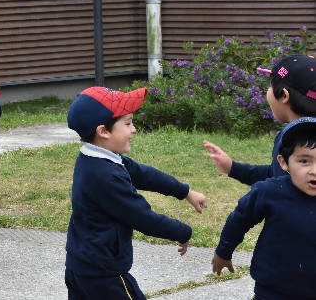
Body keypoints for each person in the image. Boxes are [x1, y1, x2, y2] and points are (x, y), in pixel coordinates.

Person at [64, 86, 207, 300]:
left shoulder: (96, 158)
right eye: (128, 123)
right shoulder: (105, 175)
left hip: (83, 265)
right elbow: (142, 217)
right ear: (103, 131)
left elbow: (143, 174)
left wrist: (185, 191)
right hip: (104, 275)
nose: (134, 129)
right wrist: (182, 231)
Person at [211, 118, 316, 299]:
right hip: (272, 291)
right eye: (304, 161)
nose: (314, 170)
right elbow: (239, 219)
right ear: (284, 163)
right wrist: (223, 251)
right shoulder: (269, 192)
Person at [203, 55, 316, 185]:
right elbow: (275, 175)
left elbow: (281, 187)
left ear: (284, 95)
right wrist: (233, 168)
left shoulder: (292, 137)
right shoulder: (293, 133)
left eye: (270, 86)